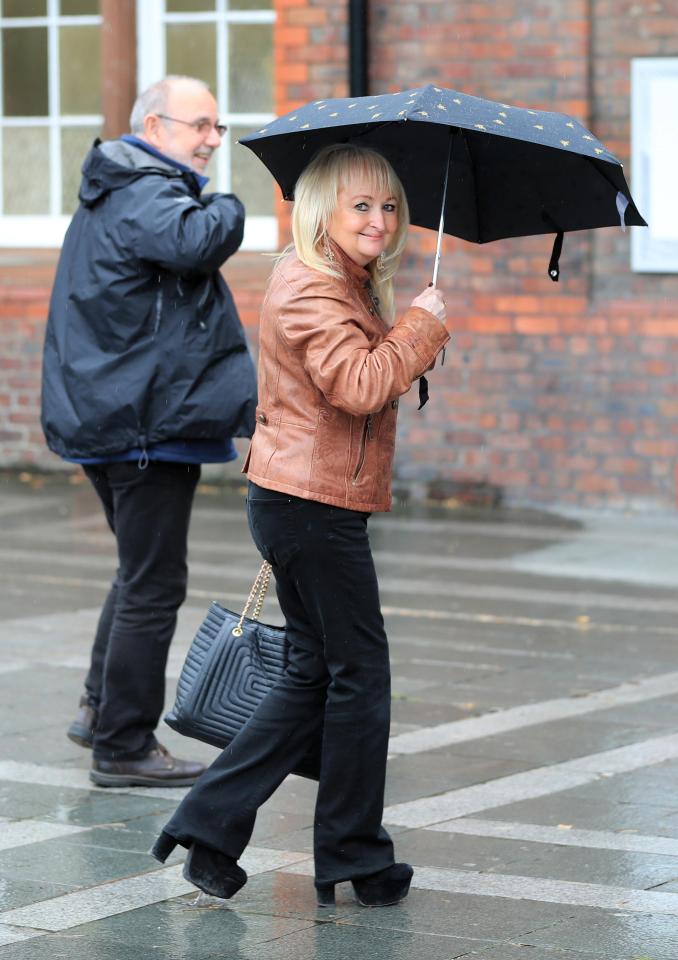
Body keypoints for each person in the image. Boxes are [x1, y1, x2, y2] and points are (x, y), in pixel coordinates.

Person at [150, 143, 449, 906]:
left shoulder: (338, 280)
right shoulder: (312, 289)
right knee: (361, 674)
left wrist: (402, 324)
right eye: (360, 206)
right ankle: (354, 853)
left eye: (388, 206)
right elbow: (357, 385)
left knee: (313, 672)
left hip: (304, 502)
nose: (379, 220)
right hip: (310, 509)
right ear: (322, 209)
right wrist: (420, 328)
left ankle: (208, 828)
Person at [41, 76, 257, 788]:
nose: (212, 141)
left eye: (217, 128)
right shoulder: (147, 190)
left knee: (139, 574)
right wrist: (229, 200)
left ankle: (99, 709)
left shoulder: (124, 187)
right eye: (201, 126)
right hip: (143, 426)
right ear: (155, 125)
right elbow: (197, 242)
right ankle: (124, 746)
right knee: (155, 585)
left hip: (121, 418)